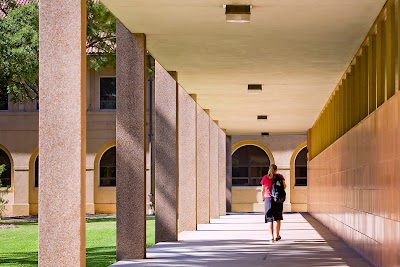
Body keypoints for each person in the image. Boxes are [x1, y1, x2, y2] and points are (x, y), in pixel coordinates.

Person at [261, 164, 286, 242]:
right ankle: (277, 235)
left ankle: (271, 237)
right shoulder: (280, 177)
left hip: (268, 199)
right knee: (277, 218)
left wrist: (263, 197)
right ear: (276, 170)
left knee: (269, 219)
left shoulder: (265, 178)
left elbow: (263, 190)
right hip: (277, 199)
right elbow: (284, 186)